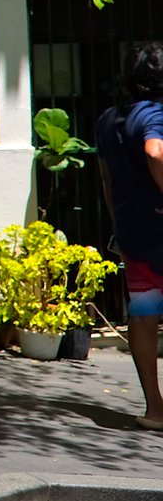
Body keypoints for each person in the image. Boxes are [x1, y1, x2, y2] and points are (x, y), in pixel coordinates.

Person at [97, 43, 163, 428]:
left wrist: (118, 221)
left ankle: (155, 410)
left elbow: (106, 178)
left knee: (143, 317)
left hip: (132, 233)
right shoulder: (155, 113)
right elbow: (156, 153)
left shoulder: (108, 120)